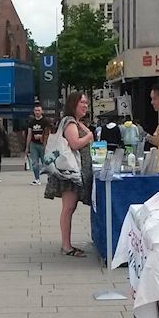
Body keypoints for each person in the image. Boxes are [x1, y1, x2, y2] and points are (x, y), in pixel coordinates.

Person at [45, 91, 95, 256]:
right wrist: (88, 136)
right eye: (82, 102)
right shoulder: (70, 123)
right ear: (73, 104)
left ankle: (67, 244)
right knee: (68, 208)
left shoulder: (77, 122)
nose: (85, 106)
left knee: (70, 208)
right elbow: (74, 143)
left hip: (75, 171)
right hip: (70, 171)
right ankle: (66, 245)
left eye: (86, 103)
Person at [26, 102, 50, 184]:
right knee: (34, 163)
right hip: (34, 144)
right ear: (33, 111)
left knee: (46, 162)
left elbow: (49, 133)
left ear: (41, 111)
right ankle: (37, 179)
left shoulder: (46, 121)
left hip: (43, 145)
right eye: (36, 110)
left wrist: (41, 136)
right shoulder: (31, 122)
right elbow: (29, 134)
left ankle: (50, 179)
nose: (37, 112)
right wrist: (27, 147)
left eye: (39, 110)